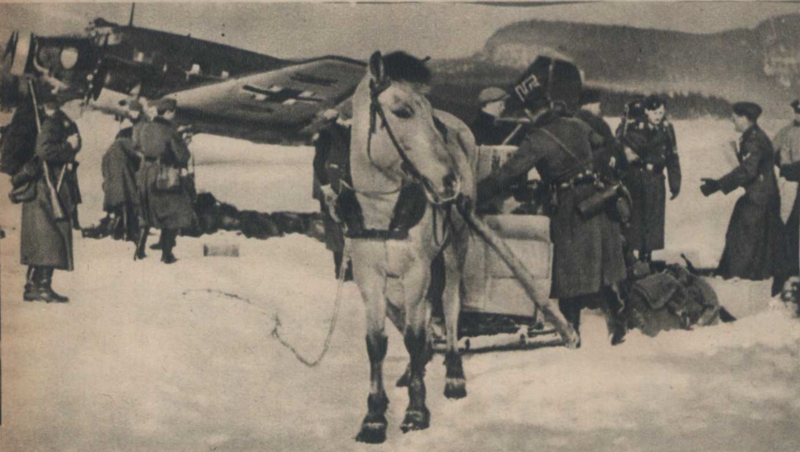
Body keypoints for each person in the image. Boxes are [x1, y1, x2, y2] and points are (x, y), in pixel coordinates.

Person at [476, 80, 628, 346]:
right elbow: (605, 145)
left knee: (568, 267)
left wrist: (475, 193)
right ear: (549, 105)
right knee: (601, 262)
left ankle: (572, 331)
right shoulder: (577, 124)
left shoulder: (538, 139)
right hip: (596, 197)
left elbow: (507, 174)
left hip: (571, 205)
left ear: (529, 113)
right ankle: (617, 321)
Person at [700, 101, 782, 281]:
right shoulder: (752, 136)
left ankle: (737, 274)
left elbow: (747, 171)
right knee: (750, 233)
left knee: (741, 233)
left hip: (759, 197)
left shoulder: (754, 139)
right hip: (762, 195)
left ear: (745, 118)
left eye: (735, 117)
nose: (733, 120)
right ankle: (746, 273)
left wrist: (717, 185)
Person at [20, 94, 81, 302]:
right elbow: (44, 150)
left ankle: (32, 286)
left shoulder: (60, 122)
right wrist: (69, 147)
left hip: (46, 189)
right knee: (51, 238)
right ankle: (42, 288)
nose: (81, 107)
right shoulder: (55, 123)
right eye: (78, 103)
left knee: (42, 239)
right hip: (48, 189)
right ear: (67, 104)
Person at [133, 97, 195, 264]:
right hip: (164, 174)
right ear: (168, 112)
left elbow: (137, 146)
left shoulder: (145, 127)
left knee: (146, 211)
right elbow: (182, 156)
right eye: (173, 113)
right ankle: (167, 254)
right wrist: (185, 143)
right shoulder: (170, 131)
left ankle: (139, 249)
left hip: (145, 173)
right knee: (175, 211)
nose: (174, 116)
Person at [620, 95, 681, 263]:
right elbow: (625, 151)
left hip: (656, 180)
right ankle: (632, 260)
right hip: (637, 180)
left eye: (661, 112)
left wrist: (675, 184)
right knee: (636, 221)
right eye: (654, 112)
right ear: (646, 111)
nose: (658, 116)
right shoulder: (636, 127)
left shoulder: (667, 129)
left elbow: (672, 156)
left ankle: (647, 258)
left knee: (653, 221)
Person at [312, 108, 353, 280]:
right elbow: (318, 163)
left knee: (350, 225)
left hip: (347, 186)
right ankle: (341, 271)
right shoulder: (327, 134)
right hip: (331, 186)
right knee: (336, 227)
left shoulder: (350, 132)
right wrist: (327, 188)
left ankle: (351, 268)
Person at [101, 99, 143, 241]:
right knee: (130, 207)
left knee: (121, 208)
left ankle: (120, 231)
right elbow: (139, 156)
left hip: (113, 187)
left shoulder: (111, 149)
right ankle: (128, 232)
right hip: (125, 184)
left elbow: (103, 169)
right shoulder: (125, 144)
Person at [771, 99, 800, 294]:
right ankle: (790, 269)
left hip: (793, 180)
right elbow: (773, 155)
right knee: (789, 227)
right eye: (797, 112)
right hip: (791, 186)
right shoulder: (785, 132)